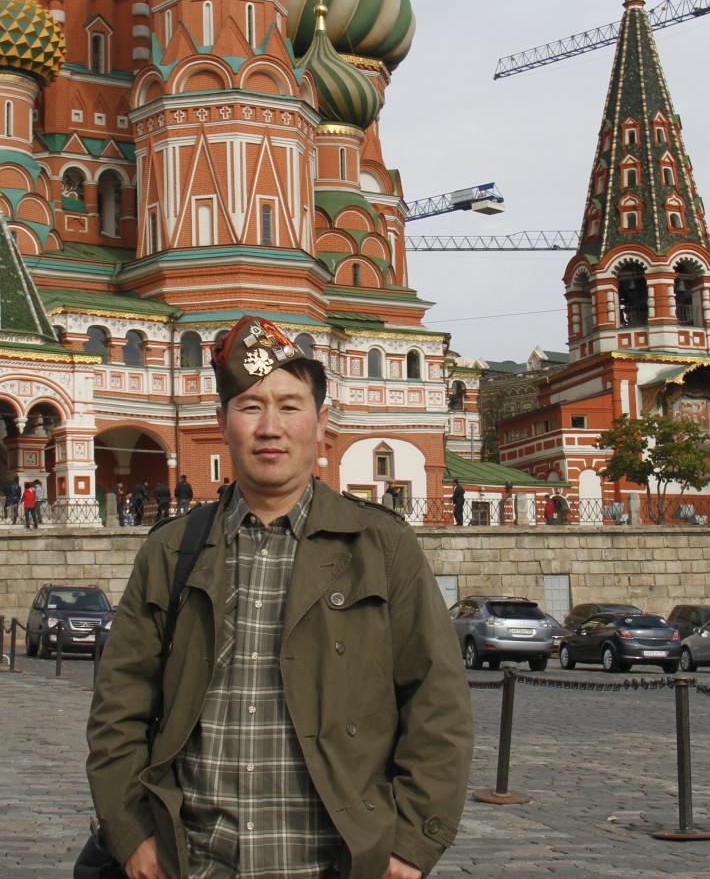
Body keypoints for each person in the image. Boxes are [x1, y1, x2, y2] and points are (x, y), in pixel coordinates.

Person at [88, 314, 473, 879]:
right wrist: (131, 834)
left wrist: (410, 847)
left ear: (321, 424)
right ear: (222, 423)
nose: (271, 427)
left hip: (336, 864)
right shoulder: (171, 552)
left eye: (290, 407)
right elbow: (118, 706)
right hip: (192, 861)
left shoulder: (381, 546)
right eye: (250, 407)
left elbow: (438, 703)